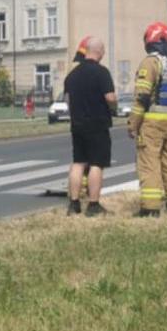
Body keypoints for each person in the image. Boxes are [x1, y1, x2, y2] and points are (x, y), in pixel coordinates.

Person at [129, 22, 167, 217]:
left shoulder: (150, 63)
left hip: (152, 123)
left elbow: (142, 97)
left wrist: (133, 124)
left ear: (150, 42)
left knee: (150, 163)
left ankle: (150, 208)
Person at [63, 36, 117, 217]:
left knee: (78, 163)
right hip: (97, 124)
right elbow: (110, 98)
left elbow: (68, 101)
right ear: (99, 52)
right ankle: (93, 205)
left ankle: (74, 203)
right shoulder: (102, 72)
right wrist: (113, 108)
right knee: (96, 164)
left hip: (77, 125)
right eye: (103, 52)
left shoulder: (71, 75)